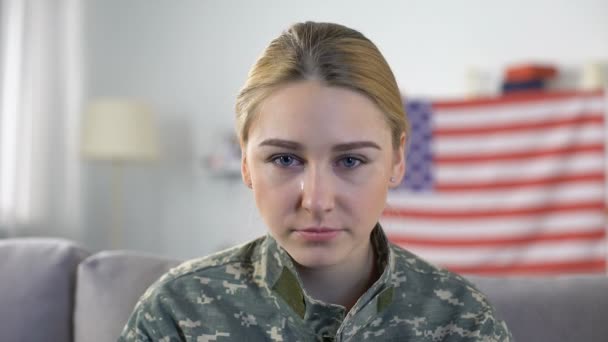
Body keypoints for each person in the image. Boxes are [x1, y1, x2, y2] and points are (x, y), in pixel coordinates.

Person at [119, 21, 512, 341]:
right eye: (285, 159)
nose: (317, 201)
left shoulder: (462, 320)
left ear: (397, 159)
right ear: (245, 163)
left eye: (351, 160)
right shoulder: (177, 312)